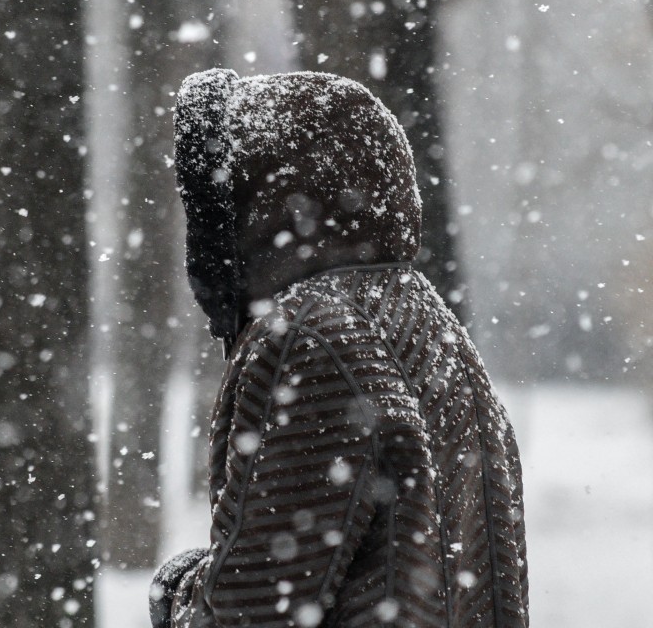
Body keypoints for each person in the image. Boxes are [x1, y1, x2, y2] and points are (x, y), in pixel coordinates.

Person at [149, 69, 528, 628]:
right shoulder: (430, 323)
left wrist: (179, 595)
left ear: (266, 205)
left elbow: (250, 611)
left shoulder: (308, 339)